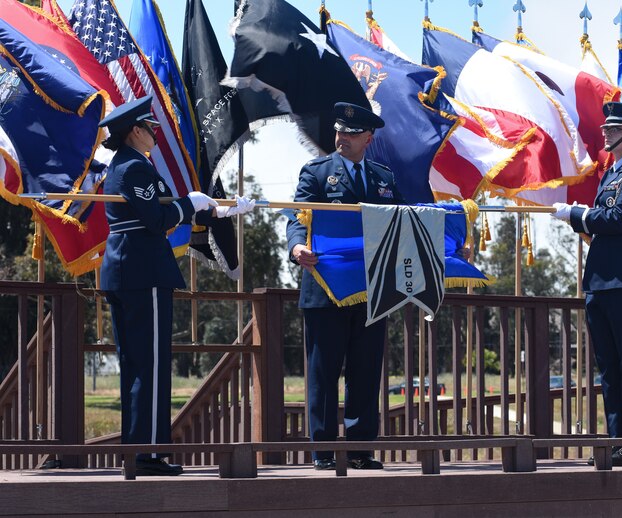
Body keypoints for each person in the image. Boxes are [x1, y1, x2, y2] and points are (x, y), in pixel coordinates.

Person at [99, 95, 254, 476]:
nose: (155, 133)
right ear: (135, 131)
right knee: (149, 365)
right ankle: (149, 453)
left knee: (136, 365)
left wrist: (212, 208)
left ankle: (138, 451)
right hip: (144, 271)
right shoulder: (135, 167)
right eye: (151, 127)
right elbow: (157, 219)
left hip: (127, 270)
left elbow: (158, 212)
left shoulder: (125, 165)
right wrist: (189, 203)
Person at [287, 102, 403, 470]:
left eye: (351, 134)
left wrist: (447, 243)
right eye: (339, 132)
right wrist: (297, 247)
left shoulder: (384, 178)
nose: (342, 138)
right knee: (323, 375)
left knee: (365, 373)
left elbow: (404, 223)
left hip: (371, 290)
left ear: (368, 138)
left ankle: (360, 449)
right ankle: (323, 451)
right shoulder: (317, 173)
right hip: (326, 289)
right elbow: (298, 217)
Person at [551, 102, 622, 467]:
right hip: (599, 279)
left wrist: (578, 214)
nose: (606, 133)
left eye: (614, 129)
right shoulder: (611, 175)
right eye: (606, 128)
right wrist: (581, 219)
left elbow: (618, 218)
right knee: (609, 366)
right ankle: (618, 442)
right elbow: (603, 223)